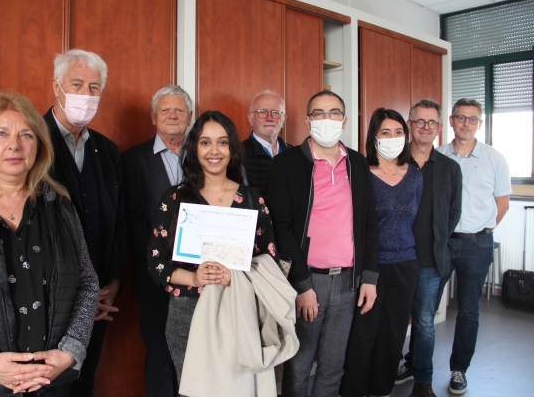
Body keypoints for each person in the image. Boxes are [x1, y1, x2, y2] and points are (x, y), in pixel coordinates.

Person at [0, 91, 99, 397]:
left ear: (38, 146)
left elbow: (88, 282)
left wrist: (71, 350)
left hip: (50, 382)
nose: (14, 144)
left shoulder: (60, 206)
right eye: (1, 133)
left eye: (26, 135)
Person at [147, 110, 279, 383]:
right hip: (187, 311)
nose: (214, 151)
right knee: (194, 387)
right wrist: (194, 277)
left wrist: (238, 277)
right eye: (205, 142)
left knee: (237, 387)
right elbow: (157, 262)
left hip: (239, 308)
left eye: (222, 142)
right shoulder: (175, 198)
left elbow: (270, 261)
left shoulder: (252, 200)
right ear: (194, 148)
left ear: (232, 148)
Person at [268, 90, 379, 397]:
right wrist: (302, 286)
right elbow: (282, 229)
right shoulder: (287, 163)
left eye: (333, 113)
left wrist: (369, 278)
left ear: (344, 120)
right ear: (307, 120)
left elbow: (369, 223)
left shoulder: (357, 164)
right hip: (307, 282)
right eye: (318, 113)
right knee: (299, 366)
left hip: (347, 283)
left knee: (333, 365)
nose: (326, 119)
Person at [42, 49, 126, 397]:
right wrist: (74, 297)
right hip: (49, 299)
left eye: (94, 87)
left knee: (84, 383)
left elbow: (117, 222)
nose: (85, 94)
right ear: (57, 87)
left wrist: (113, 282)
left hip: (100, 300)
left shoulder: (106, 150)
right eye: (77, 84)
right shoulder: (33, 141)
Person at [340, 108, 423, 397]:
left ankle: (382, 389)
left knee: (393, 333)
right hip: (370, 266)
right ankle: (354, 390)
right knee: (364, 333)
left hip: (405, 265)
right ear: (374, 137)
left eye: (398, 132)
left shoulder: (414, 176)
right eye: (385, 132)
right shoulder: (361, 173)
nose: (393, 138)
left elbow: (414, 219)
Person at [122, 85, 193, 396]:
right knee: (160, 356)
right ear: (154, 117)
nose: (172, 115)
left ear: (190, 116)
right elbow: (132, 220)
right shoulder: (133, 160)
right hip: (155, 277)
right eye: (165, 110)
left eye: (179, 110)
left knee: (198, 356)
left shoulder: (207, 154)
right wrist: (165, 259)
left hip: (202, 276)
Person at [437, 98, 511, 395]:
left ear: (479, 123)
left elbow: (501, 205)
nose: (466, 123)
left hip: (477, 243)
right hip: (441, 242)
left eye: (472, 118)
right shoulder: (438, 155)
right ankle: (414, 362)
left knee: (469, 311)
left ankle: (459, 370)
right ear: (452, 121)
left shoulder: (495, 158)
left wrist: (482, 230)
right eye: (460, 117)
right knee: (424, 304)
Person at [395, 99, 462, 397]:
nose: (425, 127)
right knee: (392, 320)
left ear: (438, 127)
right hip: (393, 259)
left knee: (424, 324)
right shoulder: (392, 160)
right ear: (409, 125)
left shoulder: (449, 168)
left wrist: (440, 242)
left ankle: (423, 381)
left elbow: (453, 212)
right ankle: (385, 372)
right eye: (419, 121)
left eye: (431, 122)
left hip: (429, 262)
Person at [242, 90, 292, 195]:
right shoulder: (237, 154)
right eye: (262, 112)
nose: (269, 118)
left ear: (283, 120)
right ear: (250, 119)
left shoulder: (295, 155)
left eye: (276, 112)